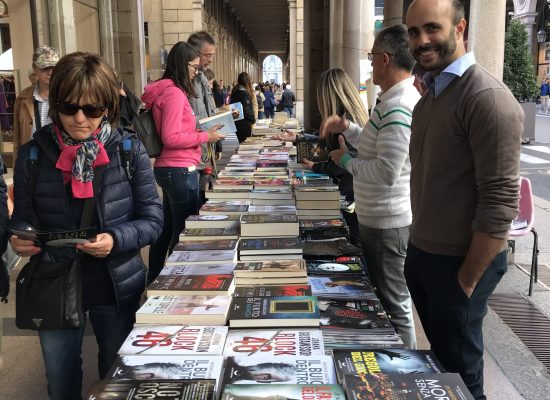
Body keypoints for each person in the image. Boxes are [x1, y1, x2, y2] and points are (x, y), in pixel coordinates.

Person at [9, 52, 164, 400]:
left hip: (115, 283)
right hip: (55, 284)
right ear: (56, 104)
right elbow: (24, 217)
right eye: (69, 108)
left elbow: (153, 219)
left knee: (116, 379)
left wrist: (116, 238)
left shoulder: (128, 150)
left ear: (108, 107)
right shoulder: (34, 155)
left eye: (92, 110)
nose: (80, 119)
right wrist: (20, 237)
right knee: (60, 381)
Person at [404, 1, 523, 398]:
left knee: (462, 371)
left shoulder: (486, 97)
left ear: (460, 28)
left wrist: (467, 279)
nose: (421, 41)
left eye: (431, 29)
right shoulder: (431, 96)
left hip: (459, 262)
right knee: (443, 364)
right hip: (426, 253)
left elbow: (501, 202)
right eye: (413, 32)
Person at [321, 25, 420, 350]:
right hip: (378, 219)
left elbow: (386, 171)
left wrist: (345, 161)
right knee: (386, 296)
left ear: (386, 59)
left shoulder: (398, 105)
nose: (370, 63)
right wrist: (348, 128)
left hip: (387, 223)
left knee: (395, 303)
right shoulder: (389, 101)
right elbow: (375, 146)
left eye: (372, 57)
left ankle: (407, 370)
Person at [142, 41, 225, 283]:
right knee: (184, 231)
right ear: (182, 65)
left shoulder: (167, 90)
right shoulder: (175, 94)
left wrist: (203, 127)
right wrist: (205, 136)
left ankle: (155, 278)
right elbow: (171, 136)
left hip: (171, 168)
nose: (196, 72)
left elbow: (176, 128)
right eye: (194, 67)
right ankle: (174, 281)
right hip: (179, 168)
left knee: (167, 228)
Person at [275, 68, 368, 249]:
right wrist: (299, 137)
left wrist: (315, 167)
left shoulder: (346, 122)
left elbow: (343, 162)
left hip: (350, 194)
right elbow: (325, 142)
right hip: (352, 192)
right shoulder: (349, 117)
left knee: (355, 241)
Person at [187, 31, 223, 202]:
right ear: (195, 53)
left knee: (202, 199)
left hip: (206, 150)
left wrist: (218, 144)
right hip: (192, 154)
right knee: (191, 206)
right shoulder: (185, 83)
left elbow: (209, 112)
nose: (211, 59)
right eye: (208, 55)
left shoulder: (202, 78)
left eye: (213, 55)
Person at [13, 45, 60, 167]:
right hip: (32, 161)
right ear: (34, 68)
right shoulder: (22, 98)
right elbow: (18, 139)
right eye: (44, 67)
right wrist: (17, 167)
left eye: (53, 67)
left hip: (59, 160)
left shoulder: (67, 96)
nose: (50, 72)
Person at [230, 72, 256, 143]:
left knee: (241, 142)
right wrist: (253, 120)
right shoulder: (245, 93)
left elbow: (232, 107)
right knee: (247, 144)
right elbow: (246, 109)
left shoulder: (234, 91)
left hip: (237, 121)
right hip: (245, 123)